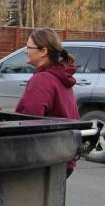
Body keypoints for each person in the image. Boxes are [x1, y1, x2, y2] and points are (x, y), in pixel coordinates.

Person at [15, 28, 80, 177]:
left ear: (43, 51)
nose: (26, 51)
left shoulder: (42, 80)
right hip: (64, 155)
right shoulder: (60, 76)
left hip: (47, 159)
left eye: (29, 47)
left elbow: (28, 121)